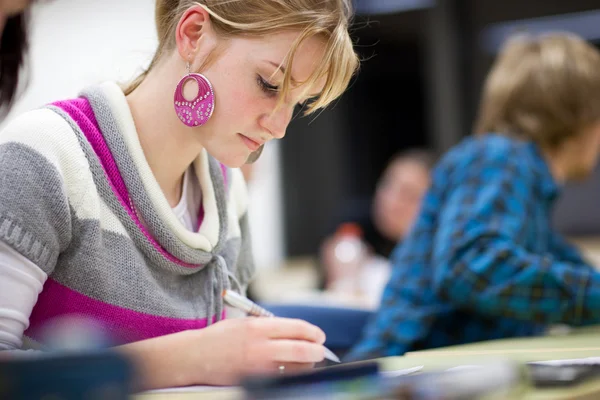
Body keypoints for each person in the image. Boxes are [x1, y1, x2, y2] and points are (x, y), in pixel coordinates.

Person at [0, 0, 359, 389]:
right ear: (193, 35)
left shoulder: (228, 190)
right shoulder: (44, 154)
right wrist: (192, 358)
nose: (279, 127)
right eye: (269, 84)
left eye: (296, 103)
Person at [346, 32, 600, 362]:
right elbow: (470, 266)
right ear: (578, 116)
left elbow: (560, 266)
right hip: (407, 372)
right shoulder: (501, 158)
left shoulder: (522, 183)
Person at [320, 149, 433, 307]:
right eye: (388, 186)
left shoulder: (433, 251)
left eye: (409, 194)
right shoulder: (356, 221)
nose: (391, 201)